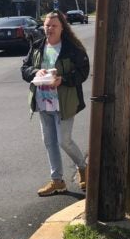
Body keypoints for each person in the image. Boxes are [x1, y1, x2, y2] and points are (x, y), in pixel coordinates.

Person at [22, 10, 90, 197]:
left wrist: (63, 80)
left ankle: (84, 168)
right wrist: (36, 72)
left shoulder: (72, 48)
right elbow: (24, 68)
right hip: (42, 102)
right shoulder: (37, 46)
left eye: (54, 25)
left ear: (62, 27)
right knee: (49, 142)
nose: (49, 28)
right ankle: (57, 181)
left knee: (64, 141)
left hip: (64, 102)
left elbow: (83, 71)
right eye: (47, 25)